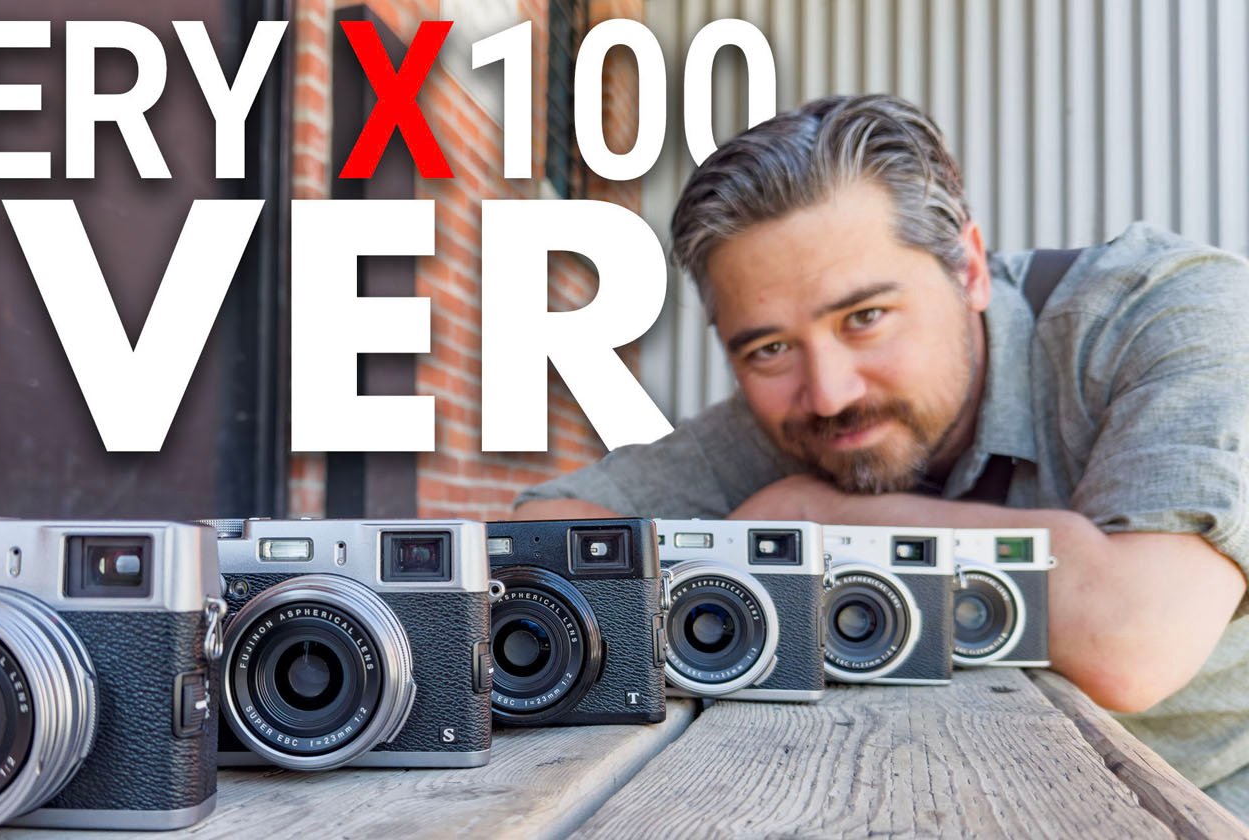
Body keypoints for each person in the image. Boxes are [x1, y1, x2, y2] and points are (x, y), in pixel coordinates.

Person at [514, 94, 1249, 817]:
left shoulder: (1174, 312)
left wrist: (813, 516)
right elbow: (547, 532)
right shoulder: (797, 412)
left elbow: (1136, 637)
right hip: (933, 786)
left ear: (969, 268)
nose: (829, 393)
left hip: (1204, 796)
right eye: (768, 348)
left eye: (864, 318)